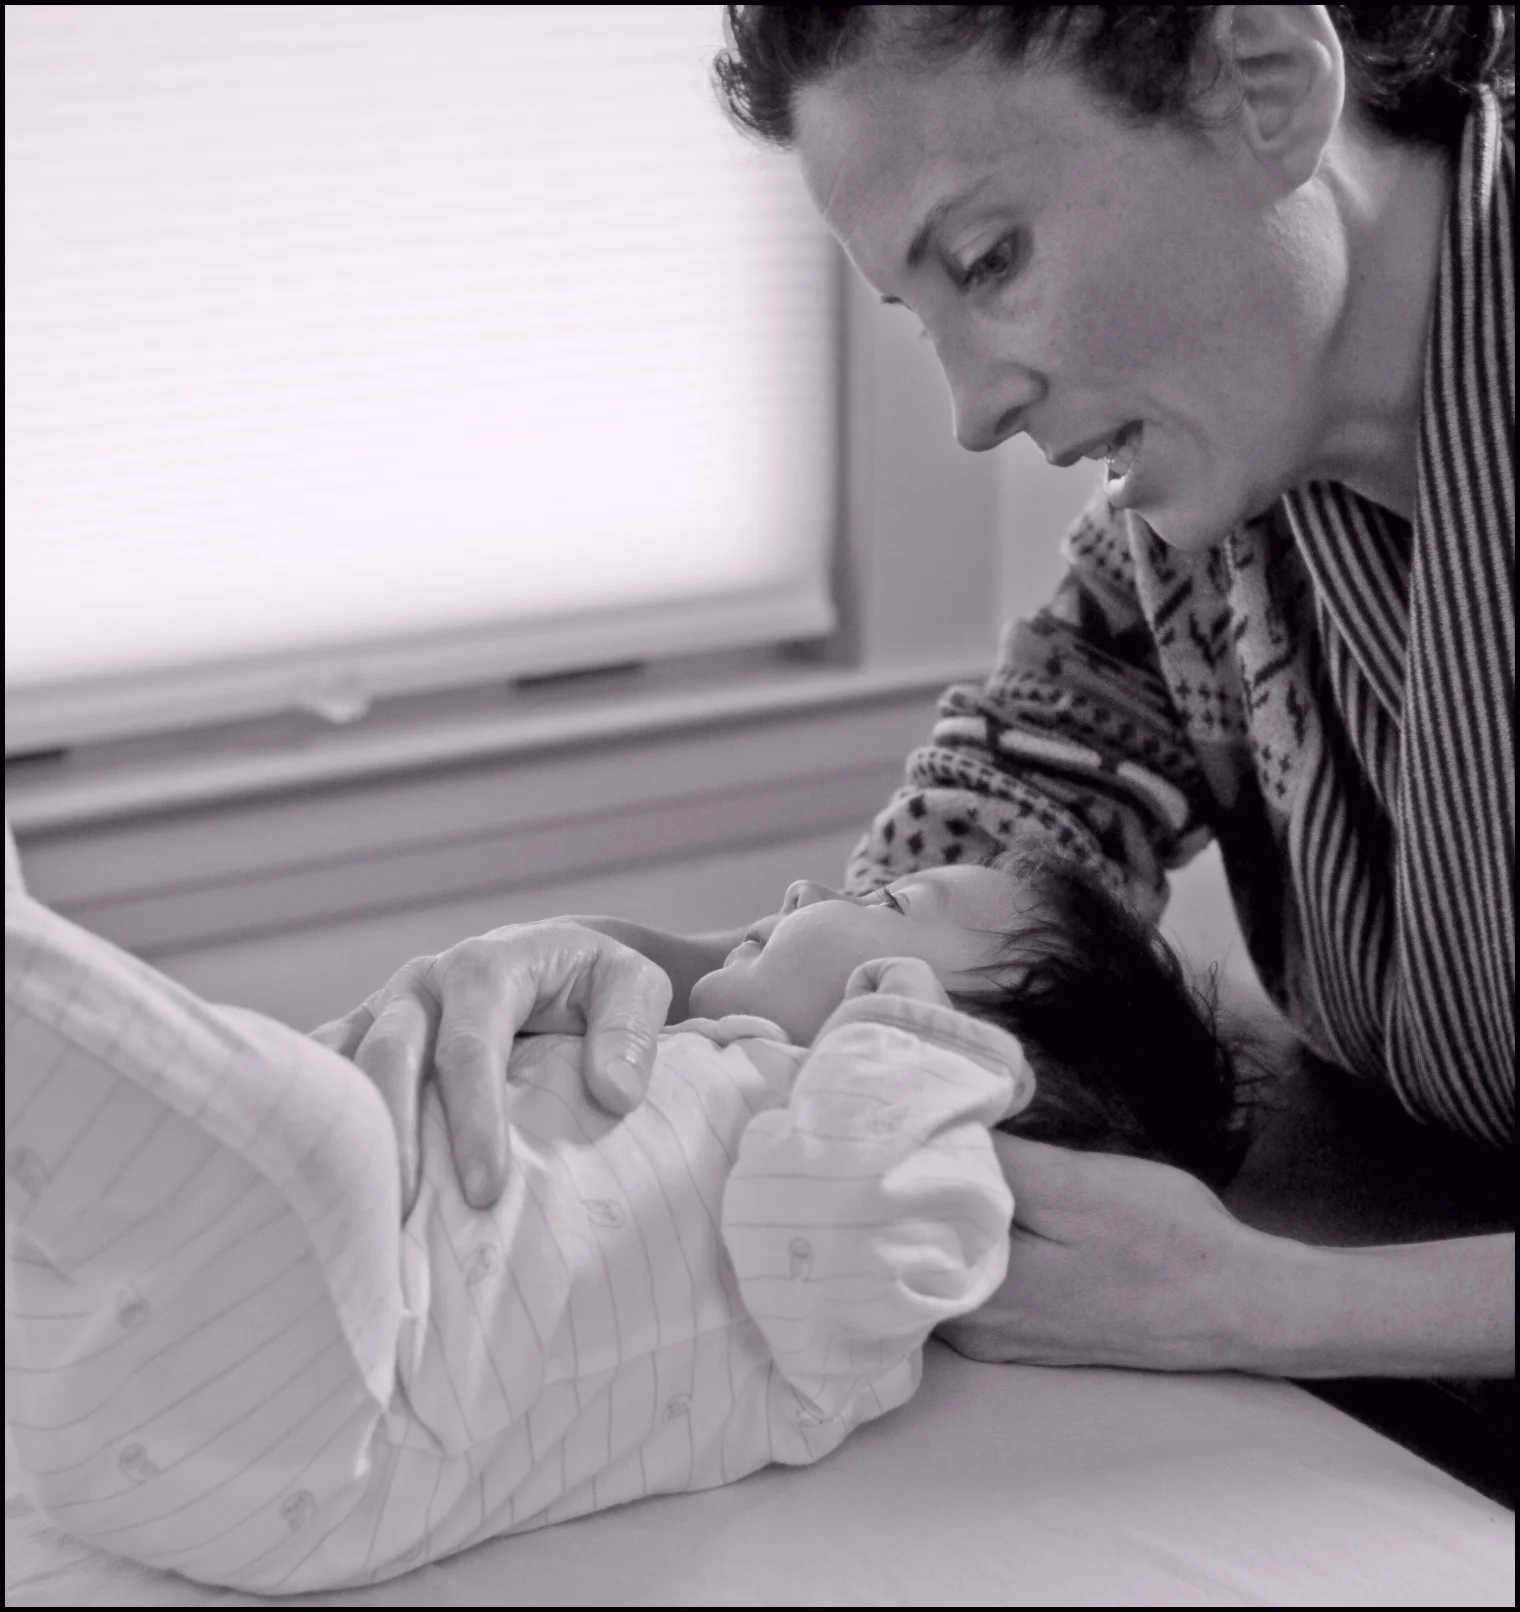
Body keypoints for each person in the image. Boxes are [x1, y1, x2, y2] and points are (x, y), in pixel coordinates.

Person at [327, 6, 1513, 1385]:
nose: (972, 408)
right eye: (921, 309)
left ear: (1263, 75)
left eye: (989, 259)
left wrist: (1254, 1303)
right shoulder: (1210, 532)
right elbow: (1000, 870)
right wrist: (653, 972)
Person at [6, 843, 1244, 1591]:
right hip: (156, 1387)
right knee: (230, 1121)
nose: (814, 880)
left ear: (961, 1040)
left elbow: (847, 1209)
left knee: (300, 1135)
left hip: (330, 1423)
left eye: (883, 894)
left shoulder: (873, 1284)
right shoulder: (718, 1061)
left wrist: (918, 1055)